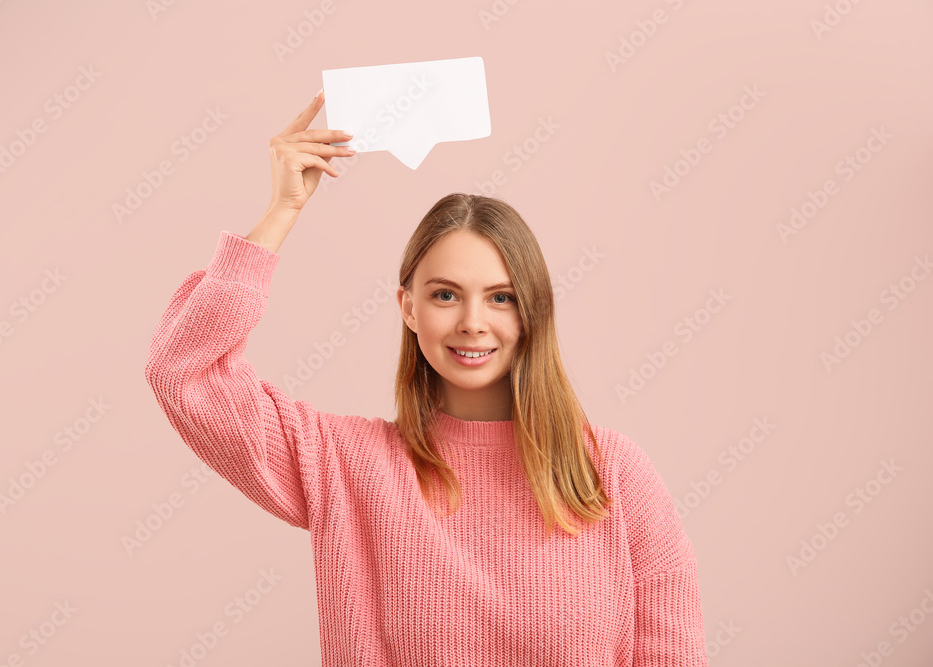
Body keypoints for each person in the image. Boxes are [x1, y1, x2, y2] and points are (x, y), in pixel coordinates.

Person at [145, 88, 709, 666]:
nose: (472, 323)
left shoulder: (612, 474)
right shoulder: (347, 465)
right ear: (408, 308)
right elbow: (184, 370)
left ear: (533, 311)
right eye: (445, 295)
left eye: (501, 297)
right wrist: (282, 210)